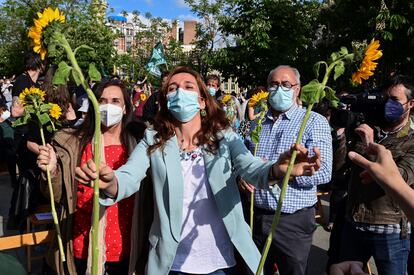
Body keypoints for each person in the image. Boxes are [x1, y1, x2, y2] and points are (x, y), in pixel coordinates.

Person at [75, 66, 322, 275]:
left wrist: (278, 169)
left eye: (188, 86)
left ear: (202, 100)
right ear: (165, 100)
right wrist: (111, 183)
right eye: (172, 88)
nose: (179, 92)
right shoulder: (153, 138)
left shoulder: (224, 136)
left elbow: (251, 168)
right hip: (171, 261)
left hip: (221, 261)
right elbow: (130, 174)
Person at [36, 79, 142, 274]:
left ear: (126, 108)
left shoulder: (139, 147)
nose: (108, 106)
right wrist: (51, 171)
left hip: (125, 247)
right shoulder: (75, 143)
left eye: (115, 101)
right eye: (101, 100)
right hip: (81, 244)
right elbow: (58, 195)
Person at [242, 65, 333, 275]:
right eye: (274, 85)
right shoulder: (256, 125)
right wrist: (242, 178)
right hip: (255, 215)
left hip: (292, 221)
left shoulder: (312, 122)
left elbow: (324, 171)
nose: (279, 89)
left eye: (285, 84)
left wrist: (285, 173)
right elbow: (241, 164)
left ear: (297, 89)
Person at [339, 75, 414, 275]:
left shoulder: (411, 139)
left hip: (390, 231)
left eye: (395, 100)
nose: (387, 104)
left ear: (410, 104)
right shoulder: (369, 126)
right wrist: (341, 134)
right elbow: (339, 168)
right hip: (353, 224)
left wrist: (372, 146)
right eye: (384, 98)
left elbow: (401, 178)